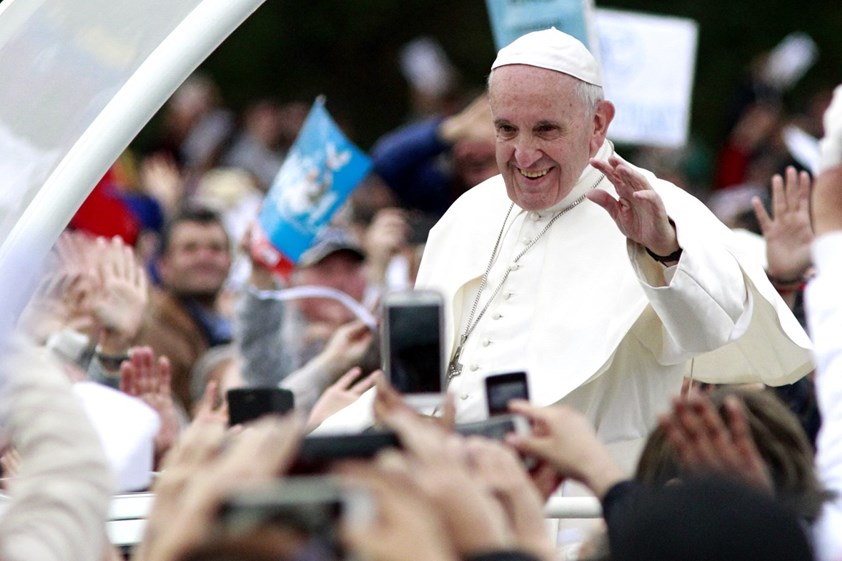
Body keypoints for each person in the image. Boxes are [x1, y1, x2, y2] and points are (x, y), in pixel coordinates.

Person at [138, 207, 233, 413]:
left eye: (216, 248)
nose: (204, 257)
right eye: (190, 249)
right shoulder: (149, 328)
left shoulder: (233, 324)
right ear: (163, 265)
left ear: (230, 261)